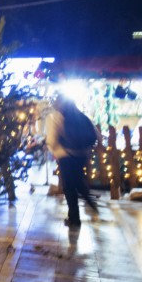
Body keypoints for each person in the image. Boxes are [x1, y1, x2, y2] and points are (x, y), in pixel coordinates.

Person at [46, 96, 99, 228]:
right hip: (81, 155)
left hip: (66, 155)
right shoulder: (80, 116)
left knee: (69, 187)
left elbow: (51, 140)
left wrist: (53, 150)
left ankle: (74, 219)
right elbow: (97, 135)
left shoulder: (55, 117)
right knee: (78, 181)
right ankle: (89, 201)